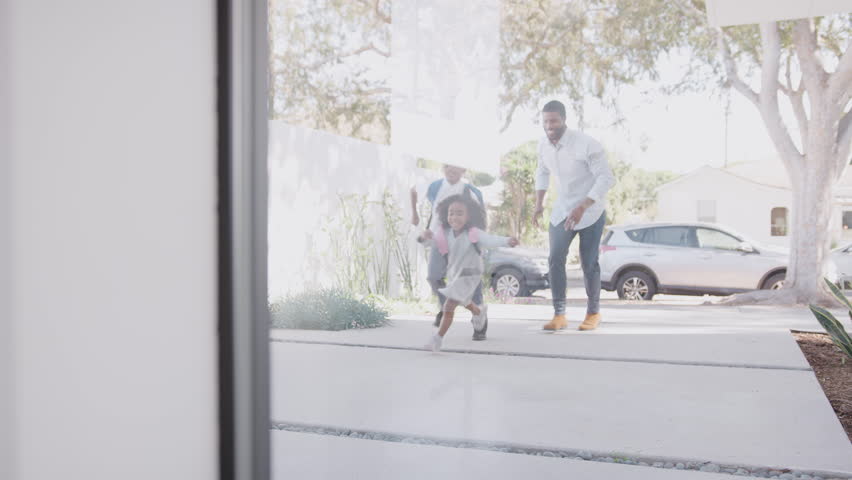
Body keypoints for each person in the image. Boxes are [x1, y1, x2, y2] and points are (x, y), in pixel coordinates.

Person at [532, 100, 615, 332]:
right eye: (546, 121)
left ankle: (593, 312)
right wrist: (539, 203)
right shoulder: (543, 145)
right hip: (562, 211)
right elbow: (542, 171)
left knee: (589, 263)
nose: (549, 126)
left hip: (591, 211)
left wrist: (583, 206)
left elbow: (606, 178)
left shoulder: (587, 144)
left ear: (564, 120)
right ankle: (559, 314)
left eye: (554, 121)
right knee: (555, 259)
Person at [418, 194, 519, 351]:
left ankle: (437, 339)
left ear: (468, 216)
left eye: (459, 213)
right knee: (464, 301)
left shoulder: (474, 233)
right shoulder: (444, 233)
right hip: (455, 274)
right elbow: (430, 243)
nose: (454, 217)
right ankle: (478, 312)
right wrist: (423, 237)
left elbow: (490, 240)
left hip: (471, 274)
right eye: (451, 213)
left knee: (449, 305)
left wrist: (506, 241)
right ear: (446, 215)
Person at [410, 164, 488, 339]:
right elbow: (413, 190)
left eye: (456, 166)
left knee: (471, 283)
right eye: (448, 166)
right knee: (433, 276)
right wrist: (414, 214)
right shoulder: (435, 186)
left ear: (464, 170)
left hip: (464, 243)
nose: (451, 170)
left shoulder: (471, 191)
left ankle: (479, 318)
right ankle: (445, 305)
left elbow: (480, 218)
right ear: (443, 167)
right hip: (439, 240)